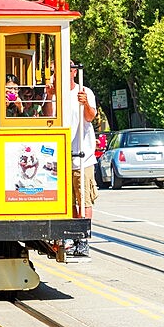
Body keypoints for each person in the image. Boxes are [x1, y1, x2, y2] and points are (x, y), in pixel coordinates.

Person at [68, 60, 97, 259]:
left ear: (73, 72)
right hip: (60, 156)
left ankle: (83, 239)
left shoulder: (84, 90)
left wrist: (85, 101)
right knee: (68, 201)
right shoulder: (54, 94)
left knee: (83, 198)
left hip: (82, 155)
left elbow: (90, 116)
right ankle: (70, 236)